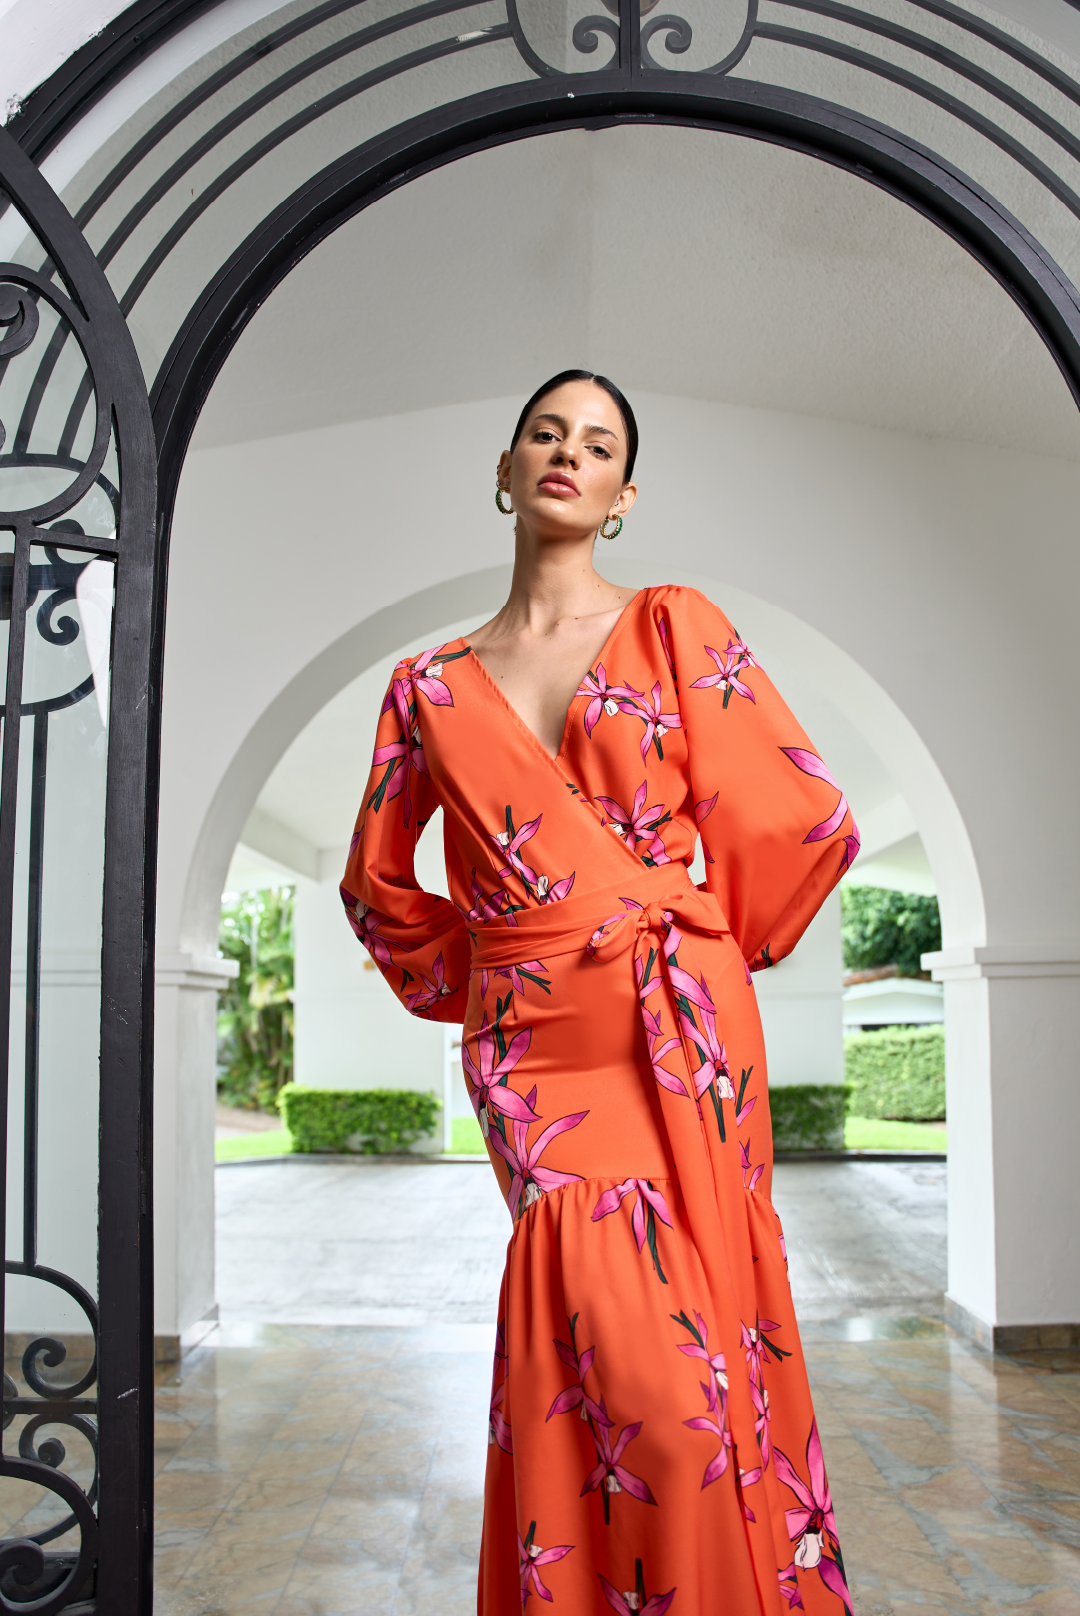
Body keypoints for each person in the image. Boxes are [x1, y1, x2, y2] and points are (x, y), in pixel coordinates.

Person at [341, 370, 858, 1613]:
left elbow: (802, 817)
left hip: (677, 1029)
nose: (568, 454)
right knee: (609, 1372)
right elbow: (374, 881)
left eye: (599, 444)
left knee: (686, 1404)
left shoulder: (674, 624)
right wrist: (491, 968)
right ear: (507, 466)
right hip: (536, 1060)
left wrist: (691, 933)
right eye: (545, 433)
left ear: (625, 494)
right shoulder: (428, 685)